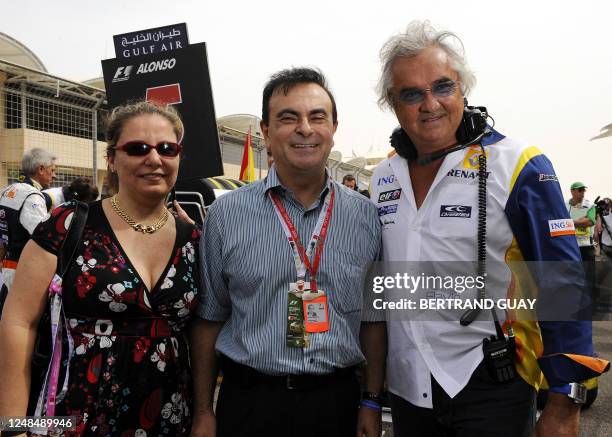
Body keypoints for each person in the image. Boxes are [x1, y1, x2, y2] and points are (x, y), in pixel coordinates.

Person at [370, 21, 608, 436]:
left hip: (491, 383)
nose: (430, 104)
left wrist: (565, 403)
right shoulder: (383, 176)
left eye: (443, 87)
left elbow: (562, 286)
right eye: (412, 93)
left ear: (463, 88)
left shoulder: (519, 165)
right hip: (408, 388)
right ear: (393, 102)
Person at [190, 67, 385, 437]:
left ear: (333, 128)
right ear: (265, 132)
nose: (305, 129)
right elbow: (209, 319)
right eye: (288, 118)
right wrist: (203, 411)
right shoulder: (224, 216)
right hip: (249, 403)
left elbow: (374, 320)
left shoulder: (367, 217)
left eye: (317, 117)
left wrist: (372, 401)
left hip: (337, 404)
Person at [0, 101, 201, 435]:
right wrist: (12, 427)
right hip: (73, 418)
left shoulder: (193, 238)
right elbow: (19, 321)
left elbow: (201, 331)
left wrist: (204, 413)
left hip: (169, 418)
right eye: (137, 148)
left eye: (167, 148)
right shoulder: (67, 224)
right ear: (112, 159)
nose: (154, 158)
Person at [0, 148, 56, 314]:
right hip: (24, 270)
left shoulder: (7, 190)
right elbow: (44, 236)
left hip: (7, 266)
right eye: (52, 170)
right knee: (24, 320)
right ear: (40, 169)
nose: (54, 176)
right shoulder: (32, 196)